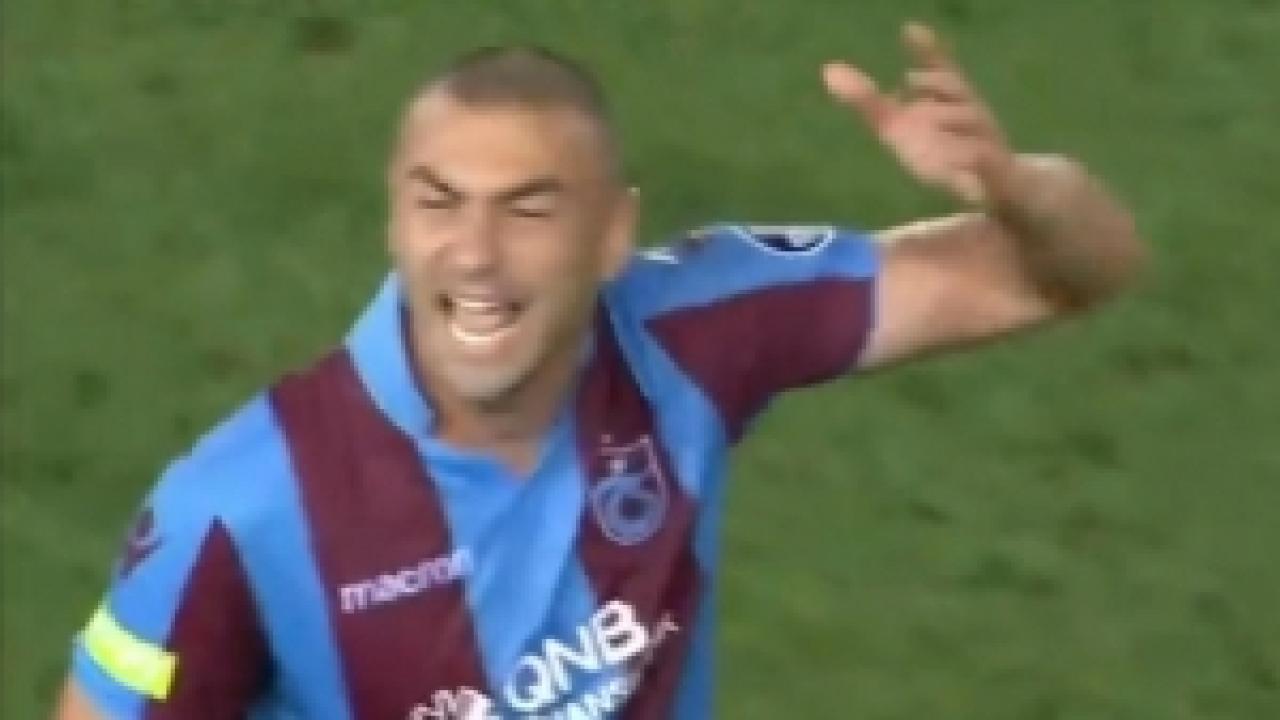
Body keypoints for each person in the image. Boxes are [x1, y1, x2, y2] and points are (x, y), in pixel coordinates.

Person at [56, 21, 1145, 720]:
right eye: (439, 204)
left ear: (612, 234)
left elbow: (1064, 275)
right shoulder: (238, 510)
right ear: (395, 219)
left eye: (528, 210)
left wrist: (1015, 189)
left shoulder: (697, 329)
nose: (474, 254)